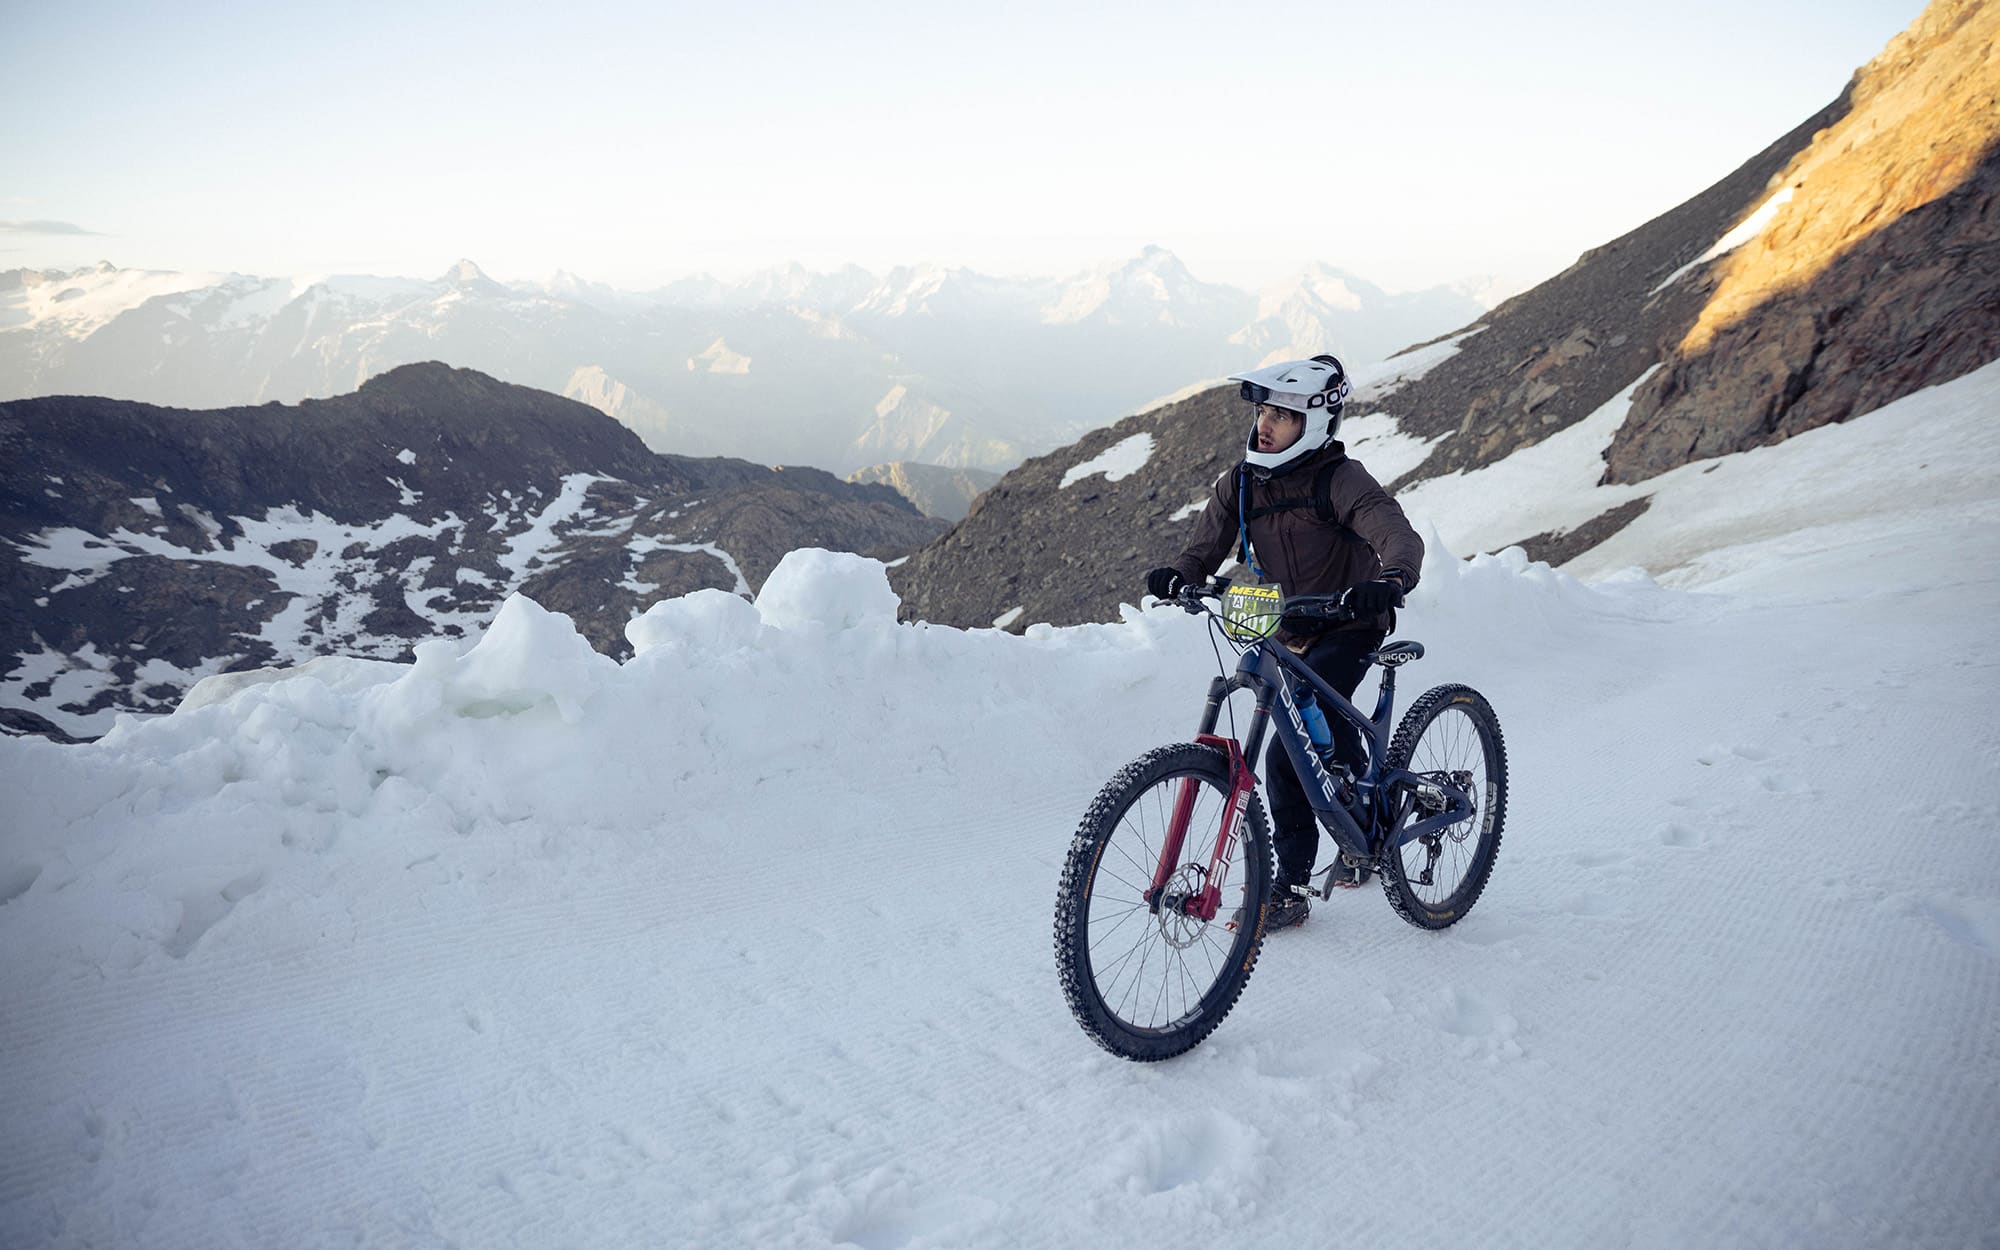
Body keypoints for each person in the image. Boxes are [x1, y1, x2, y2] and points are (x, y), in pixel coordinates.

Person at [1145, 354, 1424, 931]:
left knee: (1286, 751)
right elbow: (1201, 550)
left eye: (1283, 415)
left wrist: (1390, 580)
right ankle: (1357, 812)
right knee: (1311, 728)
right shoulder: (1241, 484)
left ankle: (1290, 886)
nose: (1265, 425)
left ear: (1316, 424)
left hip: (1349, 622)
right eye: (1264, 412)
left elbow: (1393, 530)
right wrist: (1179, 576)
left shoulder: (1340, 479)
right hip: (1283, 625)